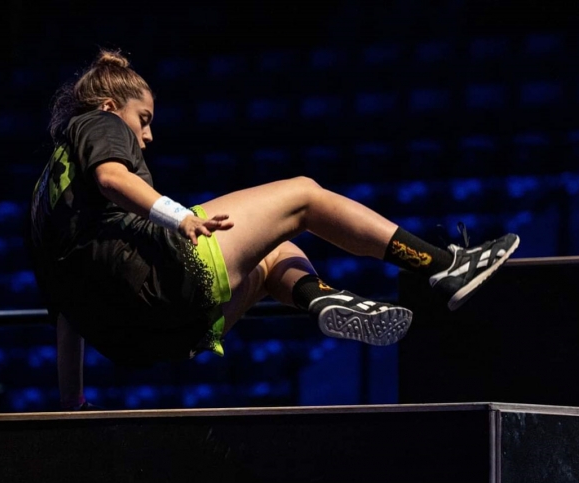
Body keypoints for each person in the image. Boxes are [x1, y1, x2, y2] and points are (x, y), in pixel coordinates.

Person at [27, 49, 520, 410]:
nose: (149, 135)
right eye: (145, 119)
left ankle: (322, 297)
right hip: (159, 276)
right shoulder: (98, 120)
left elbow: (66, 314)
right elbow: (112, 177)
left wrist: (72, 401)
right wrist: (179, 216)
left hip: (142, 338)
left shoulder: (43, 202)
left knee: (269, 257)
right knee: (303, 194)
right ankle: (443, 265)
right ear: (114, 105)